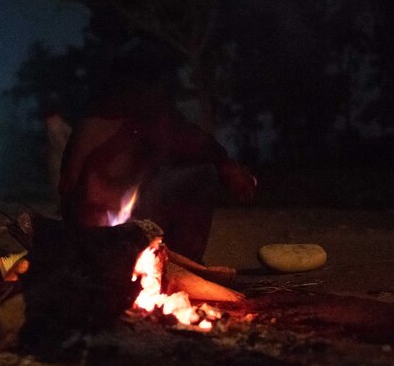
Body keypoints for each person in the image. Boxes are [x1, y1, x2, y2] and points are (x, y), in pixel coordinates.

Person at [57, 43, 256, 264]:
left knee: (165, 174)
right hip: (109, 229)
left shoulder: (96, 108)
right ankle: (185, 262)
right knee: (204, 174)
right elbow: (194, 143)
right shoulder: (144, 105)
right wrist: (230, 169)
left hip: (81, 227)